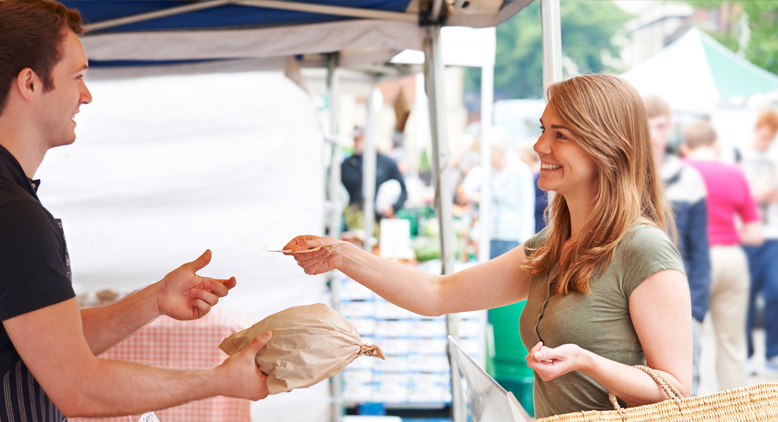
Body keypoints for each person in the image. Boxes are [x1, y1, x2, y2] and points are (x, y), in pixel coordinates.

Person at [0, 1, 270, 420]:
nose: (86, 94)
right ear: (29, 83)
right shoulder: (6, 215)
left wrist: (155, 299)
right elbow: (82, 390)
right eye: (76, 76)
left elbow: (50, 343)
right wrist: (220, 381)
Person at [284, 74, 692, 418]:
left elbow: (676, 392)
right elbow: (437, 294)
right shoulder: (550, 245)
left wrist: (588, 362)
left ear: (606, 146)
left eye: (560, 134)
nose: (539, 146)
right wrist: (341, 254)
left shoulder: (643, 248)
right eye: (542, 129)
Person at [680, 120, 763, 391]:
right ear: (716, 144)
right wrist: (727, 231)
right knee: (732, 344)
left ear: (685, 147)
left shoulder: (679, 173)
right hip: (731, 259)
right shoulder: (735, 174)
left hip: (689, 263)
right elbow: (755, 233)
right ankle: (735, 411)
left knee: (686, 343)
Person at [643, 95, 711, 394]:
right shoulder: (625, 178)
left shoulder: (689, 178)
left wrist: (695, 309)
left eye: (660, 127)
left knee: (682, 389)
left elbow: (699, 248)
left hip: (680, 298)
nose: (654, 135)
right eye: (647, 127)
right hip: (636, 298)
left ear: (669, 129)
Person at [740, 109, 778, 374]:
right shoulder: (739, 154)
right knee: (746, 296)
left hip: (773, 235)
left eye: (771, 137)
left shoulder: (774, 156)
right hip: (746, 235)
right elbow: (740, 193)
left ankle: (772, 353)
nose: (766, 141)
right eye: (764, 135)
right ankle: (748, 355)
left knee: (775, 292)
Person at [460, 127, 535, 258]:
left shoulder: (520, 171)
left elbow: (526, 207)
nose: (484, 155)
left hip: (512, 236)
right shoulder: (483, 172)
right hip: (488, 235)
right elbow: (466, 192)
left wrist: (525, 241)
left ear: (499, 150)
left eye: (488, 151)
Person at [341, 126, 408, 220]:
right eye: (354, 139)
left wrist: (393, 208)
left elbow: (403, 190)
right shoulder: (347, 165)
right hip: (353, 218)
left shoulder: (387, 163)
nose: (355, 143)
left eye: (359, 139)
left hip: (379, 219)